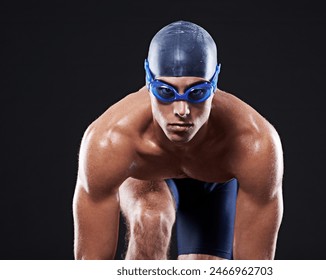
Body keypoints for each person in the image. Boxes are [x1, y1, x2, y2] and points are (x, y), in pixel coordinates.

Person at [72, 20, 284, 260]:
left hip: (214, 188)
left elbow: (255, 268)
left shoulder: (254, 142)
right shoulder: (110, 139)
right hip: (148, 178)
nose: (182, 109)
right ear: (148, 82)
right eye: (166, 92)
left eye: (197, 93)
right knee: (151, 217)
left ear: (214, 84)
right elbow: (91, 266)